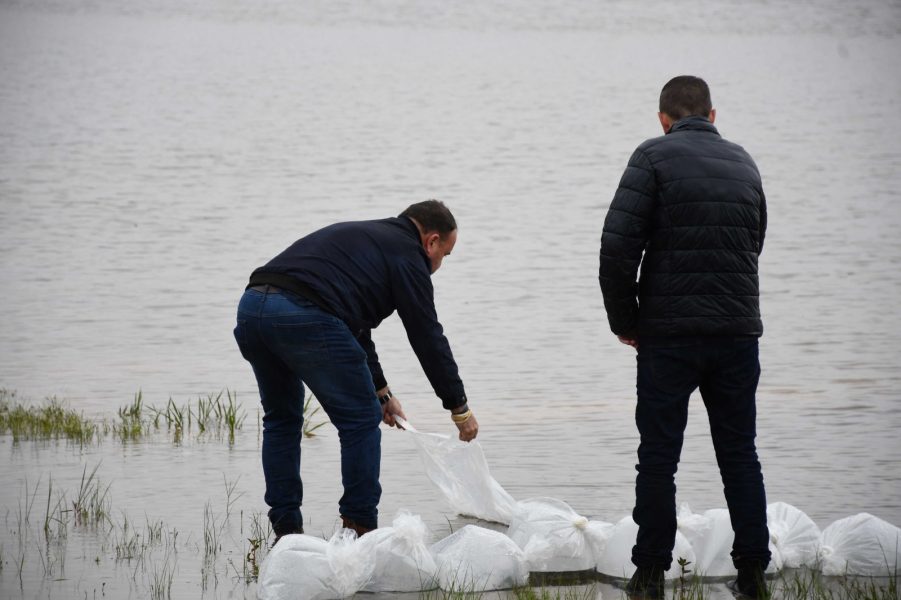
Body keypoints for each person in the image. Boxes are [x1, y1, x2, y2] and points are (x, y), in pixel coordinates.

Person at [598, 76, 770, 599]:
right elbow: (754, 239)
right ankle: (753, 574)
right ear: (712, 116)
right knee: (740, 453)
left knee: (658, 457)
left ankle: (650, 573)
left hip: (669, 335)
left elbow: (616, 249)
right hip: (738, 333)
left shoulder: (652, 157)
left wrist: (626, 322)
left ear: (662, 119)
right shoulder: (743, 161)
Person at [233, 199, 478, 542]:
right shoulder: (409, 256)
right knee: (361, 422)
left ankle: (286, 534)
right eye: (444, 256)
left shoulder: (369, 238)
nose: (439, 265)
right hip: (303, 312)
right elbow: (426, 335)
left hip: (252, 308)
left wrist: (383, 392)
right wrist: (458, 407)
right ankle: (360, 534)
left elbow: (352, 322)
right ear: (431, 241)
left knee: (282, 420)